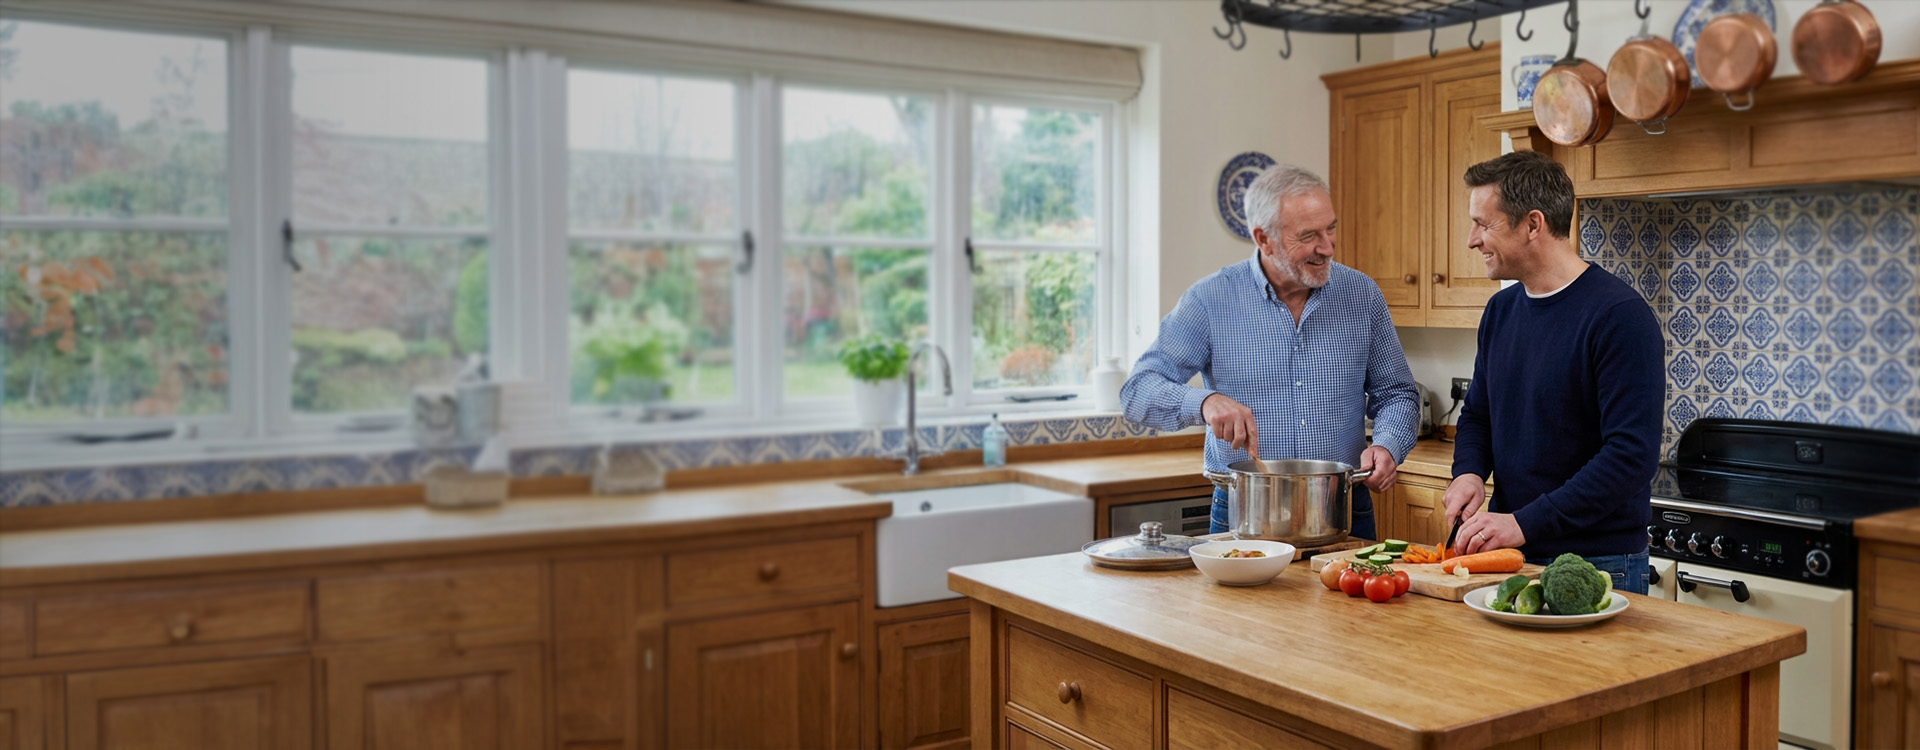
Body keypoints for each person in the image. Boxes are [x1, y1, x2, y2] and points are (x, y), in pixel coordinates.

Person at [1121, 164, 1420, 540]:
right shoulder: (1210, 300)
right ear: (1264, 239)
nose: (1327, 247)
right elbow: (1137, 392)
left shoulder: (1361, 295)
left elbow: (1397, 393)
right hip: (1244, 513)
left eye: (1331, 228)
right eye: (1309, 235)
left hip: (1344, 508)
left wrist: (1388, 445)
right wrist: (1204, 402)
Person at [1441, 150, 1662, 595]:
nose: (1471, 240)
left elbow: (1629, 458)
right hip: (1512, 555)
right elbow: (1479, 414)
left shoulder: (1619, 316)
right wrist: (1467, 472)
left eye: (1484, 224)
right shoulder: (1500, 311)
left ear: (1533, 224)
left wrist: (1523, 522)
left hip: (1599, 563)